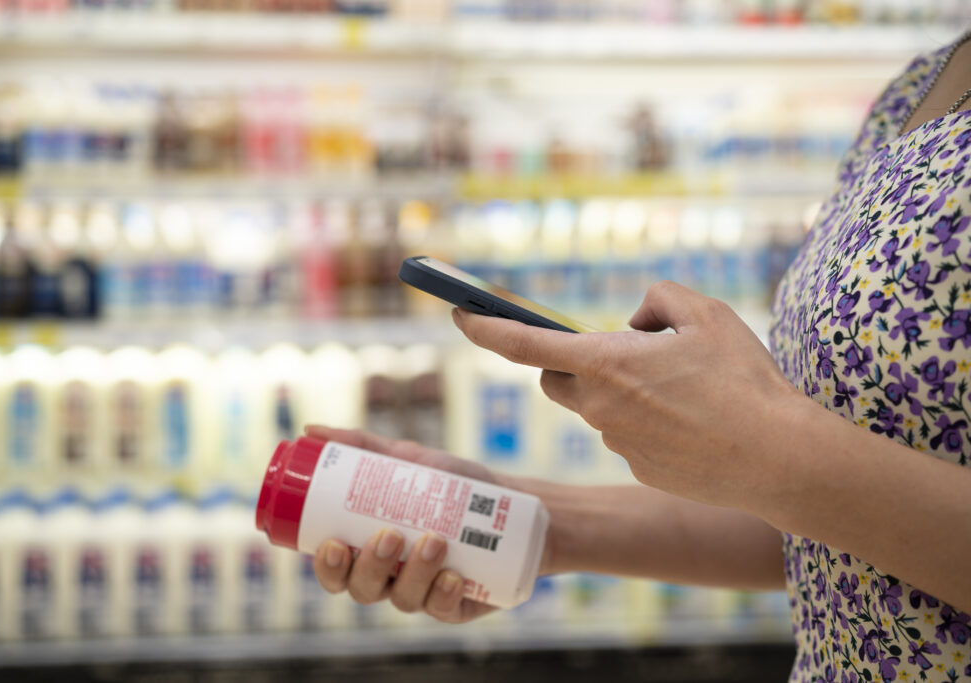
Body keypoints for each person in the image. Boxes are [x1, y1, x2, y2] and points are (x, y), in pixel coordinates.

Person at [307, 27, 971, 683]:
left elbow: (811, 482)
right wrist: (530, 520)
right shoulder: (916, 90)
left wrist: (768, 441)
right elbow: (836, 535)